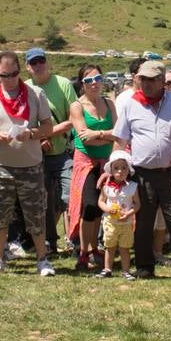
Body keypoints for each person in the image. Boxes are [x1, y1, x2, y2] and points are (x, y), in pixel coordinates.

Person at [112, 60, 171, 279]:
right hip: (142, 173)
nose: (146, 84)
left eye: (151, 80)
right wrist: (113, 166)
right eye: (143, 79)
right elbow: (120, 139)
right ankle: (144, 267)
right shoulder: (131, 104)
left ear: (162, 81)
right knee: (143, 223)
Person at [0, 51, 55, 276]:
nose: (9, 79)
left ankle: (42, 260)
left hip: (30, 165)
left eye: (14, 74)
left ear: (20, 71)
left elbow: (49, 127)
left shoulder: (35, 94)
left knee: (36, 213)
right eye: (4, 75)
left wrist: (32, 134)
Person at [25, 48, 76, 256]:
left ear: (48, 63)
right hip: (36, 155)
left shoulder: (63, 84)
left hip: (64, 152)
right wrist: (40, 140)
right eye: (33, 63)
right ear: (28, 67)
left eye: (41, 61)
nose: (38, 66)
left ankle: (74, 240)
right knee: (42, 200)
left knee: (70, 197)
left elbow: (73, 117)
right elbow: (22, 122)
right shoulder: (25, 88)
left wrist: (48, 134)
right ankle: (48, 242)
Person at [67, 64, 115, 273]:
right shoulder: (77, 106)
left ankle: (94, 248)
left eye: (97, 79)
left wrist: (98, 134)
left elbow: (120, 132)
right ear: (82, 84)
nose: (94, 83)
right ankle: (84, 251)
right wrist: (107, 134)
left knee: (98, 206)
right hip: (85, 162)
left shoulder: (109, 103)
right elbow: (84, 138)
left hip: (106, 161)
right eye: (88, 80)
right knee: (88, 205)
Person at [96, 151, 138, 279]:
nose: (120, 171)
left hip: (126, 223)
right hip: (110, 223)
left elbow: (137, 204)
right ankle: (107, 269)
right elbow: (100, 201)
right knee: (109, 246)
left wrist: (129, 213)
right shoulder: (107, 187)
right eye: (116, 168)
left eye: (124, 168)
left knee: (125, 248)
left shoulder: (132, 187)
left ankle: (126, 271)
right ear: (111, 171)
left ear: (129, 170)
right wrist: (108, 209)